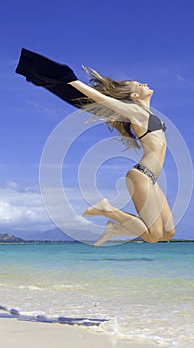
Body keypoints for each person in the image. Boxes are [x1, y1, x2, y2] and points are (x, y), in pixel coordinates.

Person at [15, 48, 175, 246]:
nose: (144, 83)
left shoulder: (146, 114)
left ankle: (116, 228)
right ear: (134, 95)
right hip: (142, 175)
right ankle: (107, 209)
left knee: (168, 232)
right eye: (138, 84)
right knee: (152, 235)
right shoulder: (135, 112)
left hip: (153, 179)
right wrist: (71, 81)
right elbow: (103, 100)